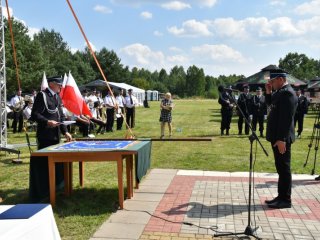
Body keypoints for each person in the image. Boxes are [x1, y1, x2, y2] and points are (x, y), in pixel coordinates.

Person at [30, 76, 72, 202]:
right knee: (44, 165)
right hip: (45, 136)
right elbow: (34, 114)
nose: (61, 86)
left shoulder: (57, 97)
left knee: (55, 164)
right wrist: (47, 122)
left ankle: (55, 188)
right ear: (52, 84)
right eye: (59, 84)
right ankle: (44, 192)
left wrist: (65, 132)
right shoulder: (42, 95)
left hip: (56, 136)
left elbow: (60, 117)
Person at [264, 70, 297, 209]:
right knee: (280, 167)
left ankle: (285, 199)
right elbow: (270, 106)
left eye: (272, 81)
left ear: (280, 79)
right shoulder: (280, 92)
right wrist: (268, 92)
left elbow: (286, 118)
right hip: (277, 137)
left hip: (281, 138)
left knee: (284, 168)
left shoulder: (288, 93)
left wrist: (282, 139)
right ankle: (281, 196)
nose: (270, 83)